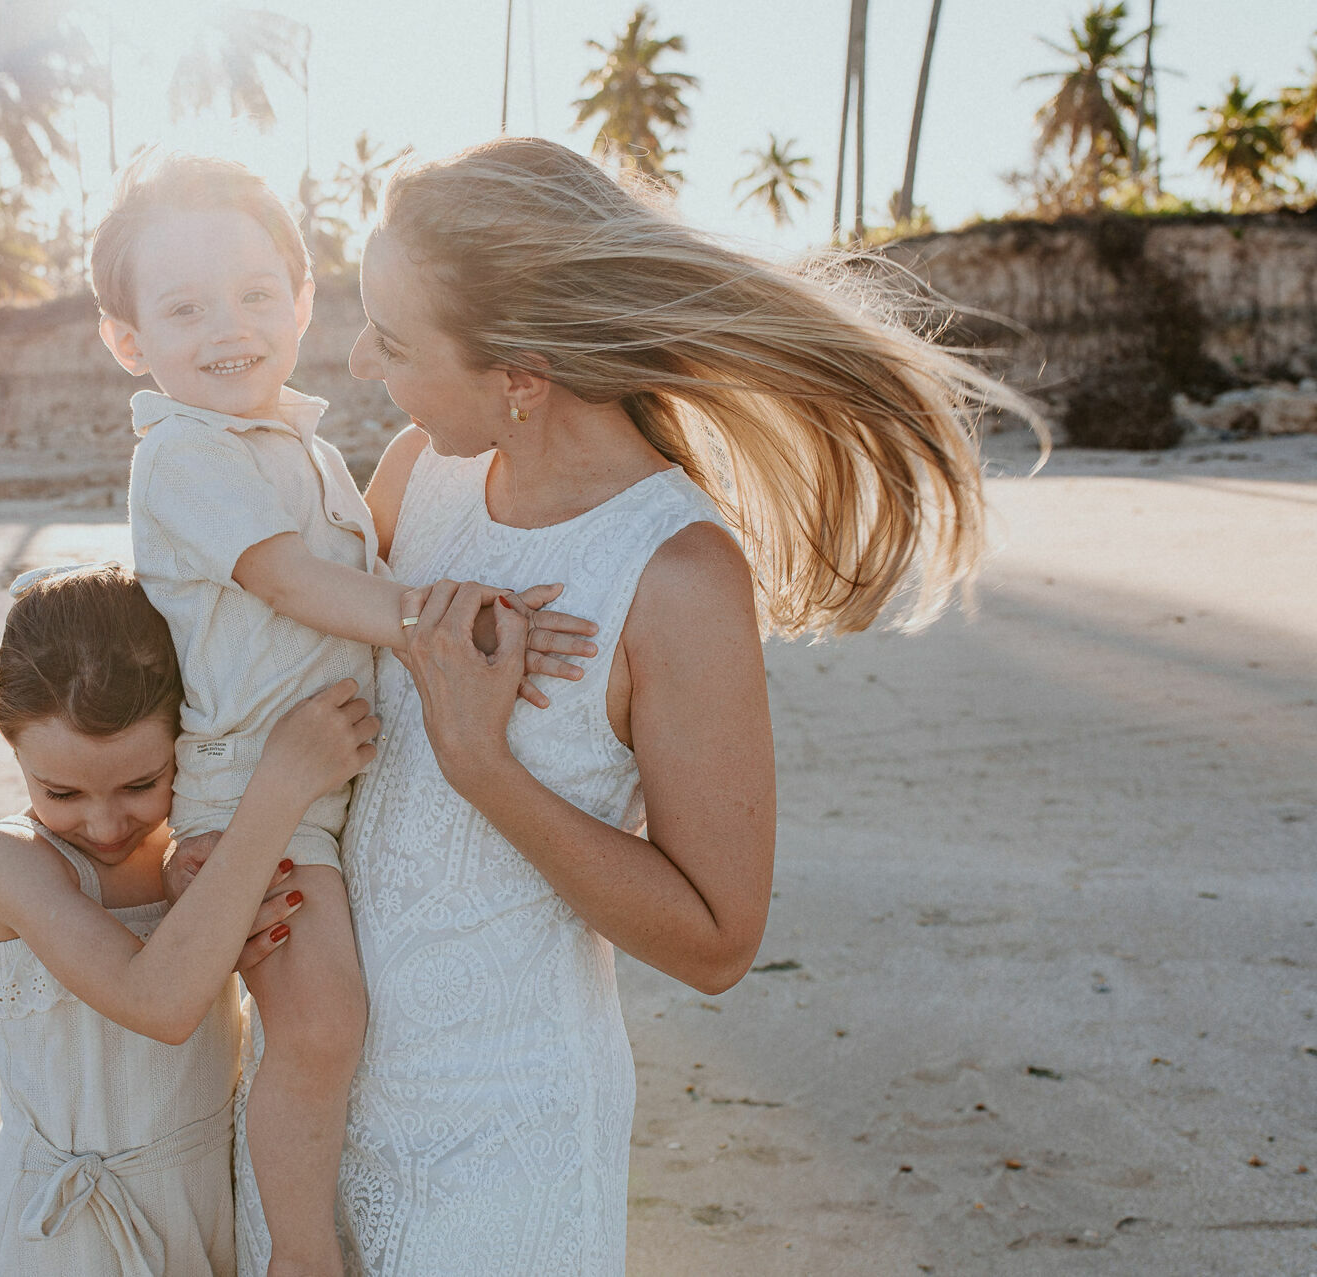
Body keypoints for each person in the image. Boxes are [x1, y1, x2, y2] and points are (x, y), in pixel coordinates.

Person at [171, 136, 1036, 1273]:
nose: (361, 359)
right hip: (309, 1110)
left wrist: (484, 766)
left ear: (520, 379)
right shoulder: (418, 475)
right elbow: (284, 683)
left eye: (395, 338)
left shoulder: (675, 572)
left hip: (504, 1145)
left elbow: (719, 939)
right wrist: (217, 854)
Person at [90, 155, 591, 1276]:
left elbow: (356, 572)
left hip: (327, 789)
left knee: (336, 1017)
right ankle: (302, 1253)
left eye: (255, 293)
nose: (229, 327)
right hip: (255, 793)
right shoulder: (181, 454)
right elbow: (289, 582)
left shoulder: (305, 449)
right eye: (184, 309)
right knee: (319, 1022)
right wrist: (453, 620)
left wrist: (470, 607)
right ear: (129, 341)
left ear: (304, 299)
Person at [0, 562, 379, 1275]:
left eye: (140, 783)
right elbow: (159, 1003)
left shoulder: (192, 854)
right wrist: (281, 783)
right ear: (12, 746)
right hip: (70, 1232)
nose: (104, 823)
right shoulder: (11, 862)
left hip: (206, 1206)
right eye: (61, 791)